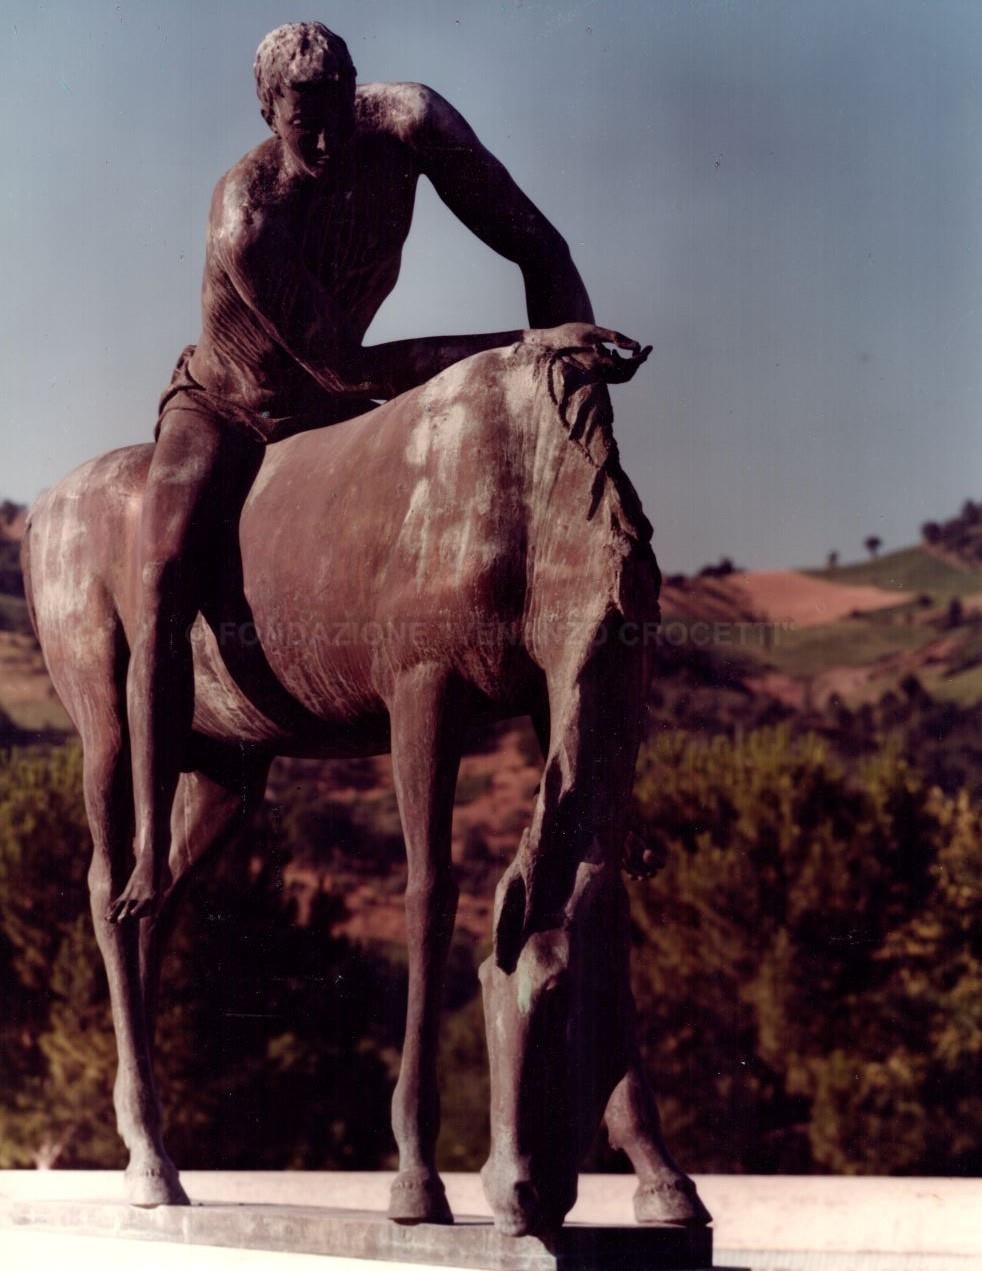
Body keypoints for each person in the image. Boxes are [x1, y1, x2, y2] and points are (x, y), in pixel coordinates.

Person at [108, 20, 630, 921]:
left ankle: (589, 800)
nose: (323, 138)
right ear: (267, 111)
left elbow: (541, 249)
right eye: (300, 120)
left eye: (336, 110)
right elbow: (347, 371)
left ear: (357, 90)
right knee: (159, 570)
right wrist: (527, 350)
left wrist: (565, 401)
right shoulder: (248, 214)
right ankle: (152, 844)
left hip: (338, 401)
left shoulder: (414, 125)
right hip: (234, 405)